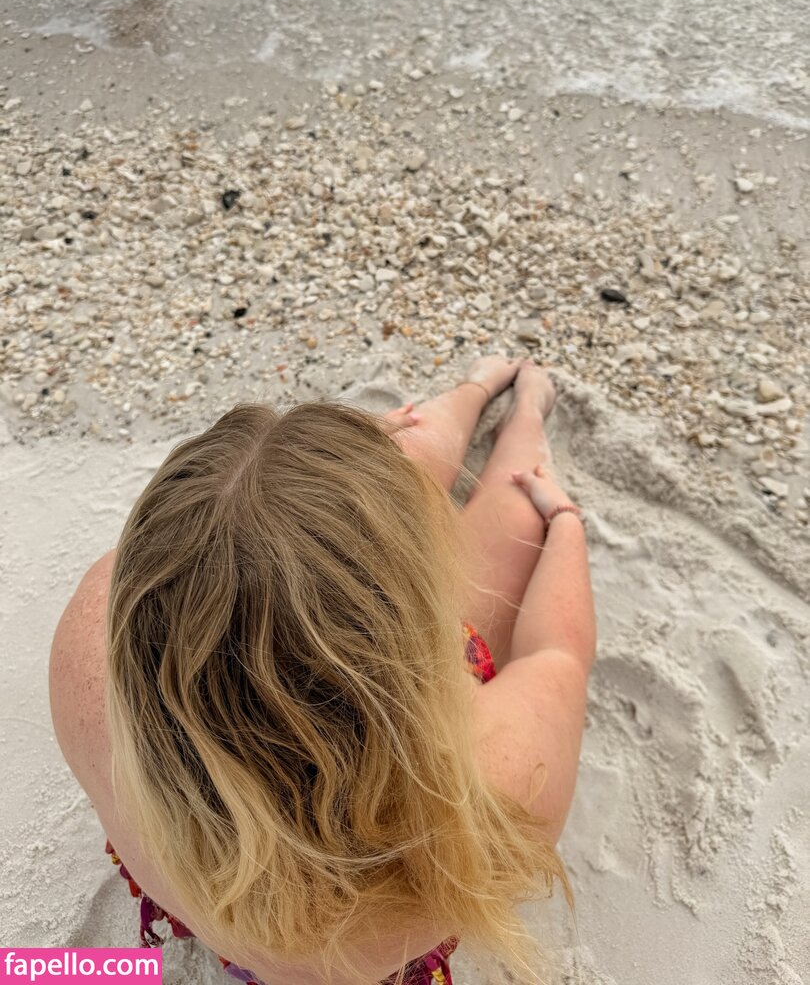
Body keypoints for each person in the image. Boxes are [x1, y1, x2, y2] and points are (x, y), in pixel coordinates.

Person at [49, 356, 596, 985]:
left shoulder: (88, 638)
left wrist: (341, 476)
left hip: (194, 879)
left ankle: (471, 390)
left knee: (303, 514)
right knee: (512, 505)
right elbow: (557, 654)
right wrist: (566, 524)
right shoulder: (479, 809)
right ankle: (519, 408)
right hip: (357, 950)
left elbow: (230, 561)